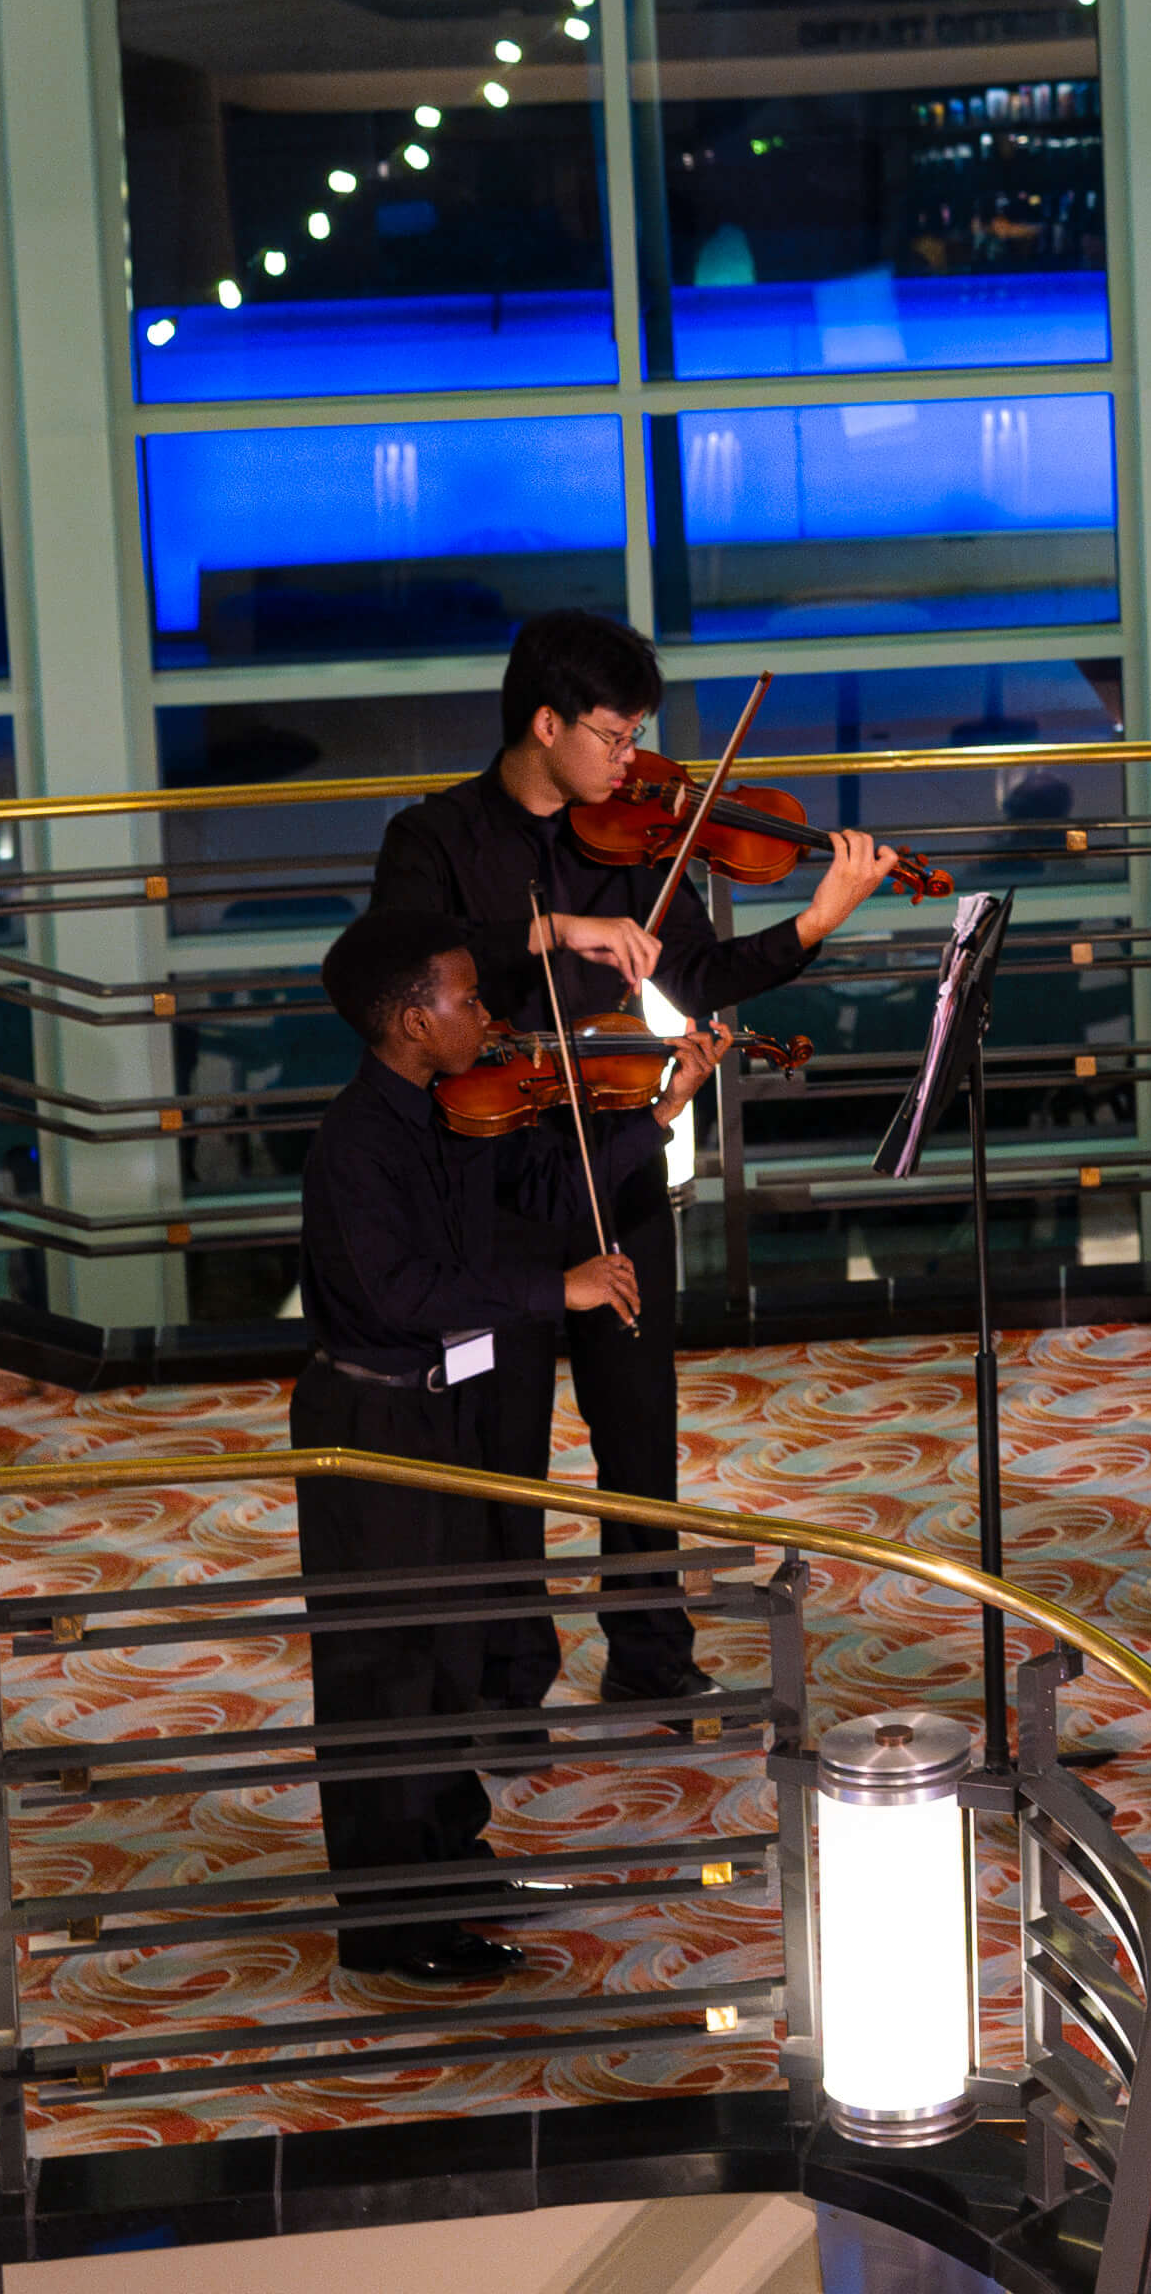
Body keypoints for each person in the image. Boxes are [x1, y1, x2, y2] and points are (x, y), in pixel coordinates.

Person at [364, 607, 891, 1710]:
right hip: (488, 1167)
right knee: (502, 1444)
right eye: (614, 732)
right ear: (546, 722)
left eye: (638, 731)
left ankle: (651, 1653)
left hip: (614, 1143)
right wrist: (558, 930)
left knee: (638, 1426)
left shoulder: (637, 837)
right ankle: (510, 1676)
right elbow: (402, 965)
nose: (631, 757)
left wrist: (812, 923)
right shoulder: (436, 836)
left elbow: (699, 972)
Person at [289, 908, 670, 1991]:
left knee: (453, 1658)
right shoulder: (356, 1145)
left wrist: (658, 1113)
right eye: (467, 999)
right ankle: (389, 1923)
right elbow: (402, 1295)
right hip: (370, 1429)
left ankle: (450, 1874)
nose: (492, 1017)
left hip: (448, 1410)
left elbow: (546, 1197)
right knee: (383, 1674)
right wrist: (558, 1288)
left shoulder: (454, 1116)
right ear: (415, 1019)